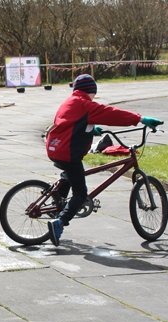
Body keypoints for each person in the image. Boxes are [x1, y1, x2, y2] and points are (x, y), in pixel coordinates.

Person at [45, 74, 162, 246]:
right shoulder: (85, 104)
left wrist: (90, 128)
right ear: (91, 91)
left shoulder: (70, 102)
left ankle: (58, 200)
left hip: (55, 148)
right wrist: (140, 119)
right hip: (68, 152)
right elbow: (112, 114)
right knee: (80, 193)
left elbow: (68, 122)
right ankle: (59, 223)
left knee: (70, 175)